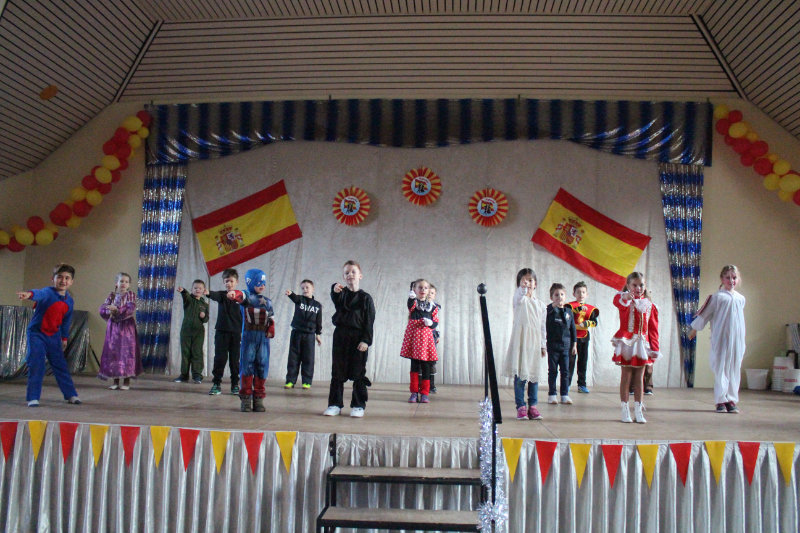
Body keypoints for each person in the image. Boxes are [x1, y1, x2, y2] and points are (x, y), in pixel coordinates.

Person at [16, 263, 81, 407]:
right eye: (60, 277)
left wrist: (64, 338)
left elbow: (66, 321)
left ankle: (70, 394)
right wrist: (29, 294)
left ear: (71, 281)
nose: (63, 280)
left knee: (60, 365)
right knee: (36, 363)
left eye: (67, 278)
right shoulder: (48, 292)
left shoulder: (69, 301)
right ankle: (33, 397)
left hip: (54, 336)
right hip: (37, 333)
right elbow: (38, 293)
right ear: (53, 279)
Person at [689, 265, 746, 414]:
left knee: (734, 368)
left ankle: (731, 399)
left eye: (734, 277)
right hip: (721, 338)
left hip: (737, 339)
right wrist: (695, 329)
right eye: (728, 277)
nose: (731, 281)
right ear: (722, 279)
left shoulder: (740, 299)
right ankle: (721, 400)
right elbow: (705, 314)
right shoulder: (717, 297)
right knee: (721, 368)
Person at [323, 260, 375, 418]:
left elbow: (369, 321)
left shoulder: (366, 298)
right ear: (343, 277)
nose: (350, 275)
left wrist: (366, 340)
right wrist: (334, 288)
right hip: (341, 336)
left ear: (360, 275)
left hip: (358, 338)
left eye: (353, 272)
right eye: (346, 273)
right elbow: (335, 295)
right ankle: (334, 404)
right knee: (337, 371)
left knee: (358, 371)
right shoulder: (342, 294)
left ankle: (358, 405)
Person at [611, 272, 660, 424]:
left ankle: (638, 410)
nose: (638, 288)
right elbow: (617, 300)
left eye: (641, 285)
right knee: (626, 377)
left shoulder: (650, 305)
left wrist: (655, 348)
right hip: (627, 343)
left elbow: (653, 329)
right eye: (635, 285)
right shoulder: (624, 302)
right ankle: (625, 409)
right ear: (628, 286)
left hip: (642, 344)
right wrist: (626, 296)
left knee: (640, 378)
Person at [503, 268, 547, 420]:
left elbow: (543, 327)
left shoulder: (541, 305)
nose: (527, 283)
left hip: (534, 342)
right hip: (521, 340)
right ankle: (521, 406)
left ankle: (533, 406)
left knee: (533, 374)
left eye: (530, 280)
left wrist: (543, 345)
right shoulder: (519, 300)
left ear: (536, 284)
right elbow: (520, 294)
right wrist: (522, 288)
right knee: (520, 375)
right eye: (524, 280)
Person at [230, 269, 274, 413]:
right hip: (249, 338)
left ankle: (259, 398)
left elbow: (271, 317)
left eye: (263, 283)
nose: (262, 285)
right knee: (247, 366)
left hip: (263, 339)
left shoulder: (268, 302)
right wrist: (234, 294)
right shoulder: (248, 297)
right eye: (258, 282)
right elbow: (241, 295)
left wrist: (271, 327)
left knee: (262, 366)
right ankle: (246, 399)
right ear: (250, 282)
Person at [98, 272, 142, 390]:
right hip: (114, 328)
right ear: (116, 283)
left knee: (127, 352)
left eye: (126, 282)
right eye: (121, 281)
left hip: (126, 327)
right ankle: (115, 381)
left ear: (129, 284)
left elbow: (130, 308)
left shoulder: (130, 295)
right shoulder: (112, 295)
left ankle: (126, 382)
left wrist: (117, 309)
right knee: (114, 353)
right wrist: (108, 310)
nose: (124, 283)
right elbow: (103, 308)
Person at [206, 268, 243, 396]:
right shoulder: (222, 295)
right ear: (223, 282)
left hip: (236, 333)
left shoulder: (241, 297)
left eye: (231, 281)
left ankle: (235, 385)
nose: (229, 283)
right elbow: (214, 295)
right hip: (221, 332)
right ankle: (216, 384)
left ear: (236, 282)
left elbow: (248, 304)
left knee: (235, 360)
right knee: (220, 359)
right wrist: (207, 292)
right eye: (226, 281)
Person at [401, 279, 439, 403]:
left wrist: (431, 323)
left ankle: (424, 393)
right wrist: (411, 297)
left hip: (426, 340)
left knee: (426, 366)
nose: (423, 290)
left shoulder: (433, 307)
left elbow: (436, 322)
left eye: (425, 288)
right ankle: (414, 392)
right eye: (420, 287)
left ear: (428, 290)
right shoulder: (414, 303)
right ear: (415, 289)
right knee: (414, 366)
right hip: (415, 338)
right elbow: (410, 306)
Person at [284, 279, 322, 390]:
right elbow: (294, 297)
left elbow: (318, 321)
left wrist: (318, 335)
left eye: (307, 287)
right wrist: (290, 293)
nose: (305, 290)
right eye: (303, 288)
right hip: (296, 333)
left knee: (308, 359)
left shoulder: (317, 305)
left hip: (309, 335)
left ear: (312, 289)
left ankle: (306, 382)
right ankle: (290, 381)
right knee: (293, 358)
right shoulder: (299, 300)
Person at [546, 283, 577, 406]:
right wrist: (552, 306)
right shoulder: (549, 310)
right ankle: (552, 394)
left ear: (565, 296)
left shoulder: (569, 311)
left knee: (565, 371)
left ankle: (564, 394)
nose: (559, 297)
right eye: (556, 295)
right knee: (553, 371)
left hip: (566, 347)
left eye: (562, 294)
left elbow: (573, 329)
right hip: (553, 346)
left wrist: (574, 345)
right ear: (552, 297)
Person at [173, 280, 209, 384]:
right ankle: (184, 375)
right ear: (192, 289)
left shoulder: (205, 304)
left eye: (200, 288)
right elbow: (185, 295)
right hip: (186, 331)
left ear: (203, 290)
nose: (197, 290)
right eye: (195, 288)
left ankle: (197, 375)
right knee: (185, 353)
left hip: (198, 333)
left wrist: (204, 316)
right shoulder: (188, 300)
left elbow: (206, 319)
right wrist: (183, 291)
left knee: (197, 353)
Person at [567, 281, 599, 394]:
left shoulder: (590, 309)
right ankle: (566, 384)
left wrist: (587, 323)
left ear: (587, 294)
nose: (581, 294)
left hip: (584, 338)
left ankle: (582, 385)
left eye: (583, 292)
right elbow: (566, 319)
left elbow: (595, 323)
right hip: (571, 338)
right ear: (574, 294)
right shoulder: (569, 307)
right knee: (570, 362)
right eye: (578, 292)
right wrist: (578, 311)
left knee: (583, 362)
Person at [428, 283, 441, 394]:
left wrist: (438, 335)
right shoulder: (419, 306)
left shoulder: (435, 307)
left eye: (432, 293)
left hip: (432, 335)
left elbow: (437, 322)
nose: (429, 295)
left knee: (431, 360)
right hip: (421, 336)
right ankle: (420, 384)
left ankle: (431, 385)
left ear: (435, 295)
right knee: (420, 361)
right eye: (428, 292)